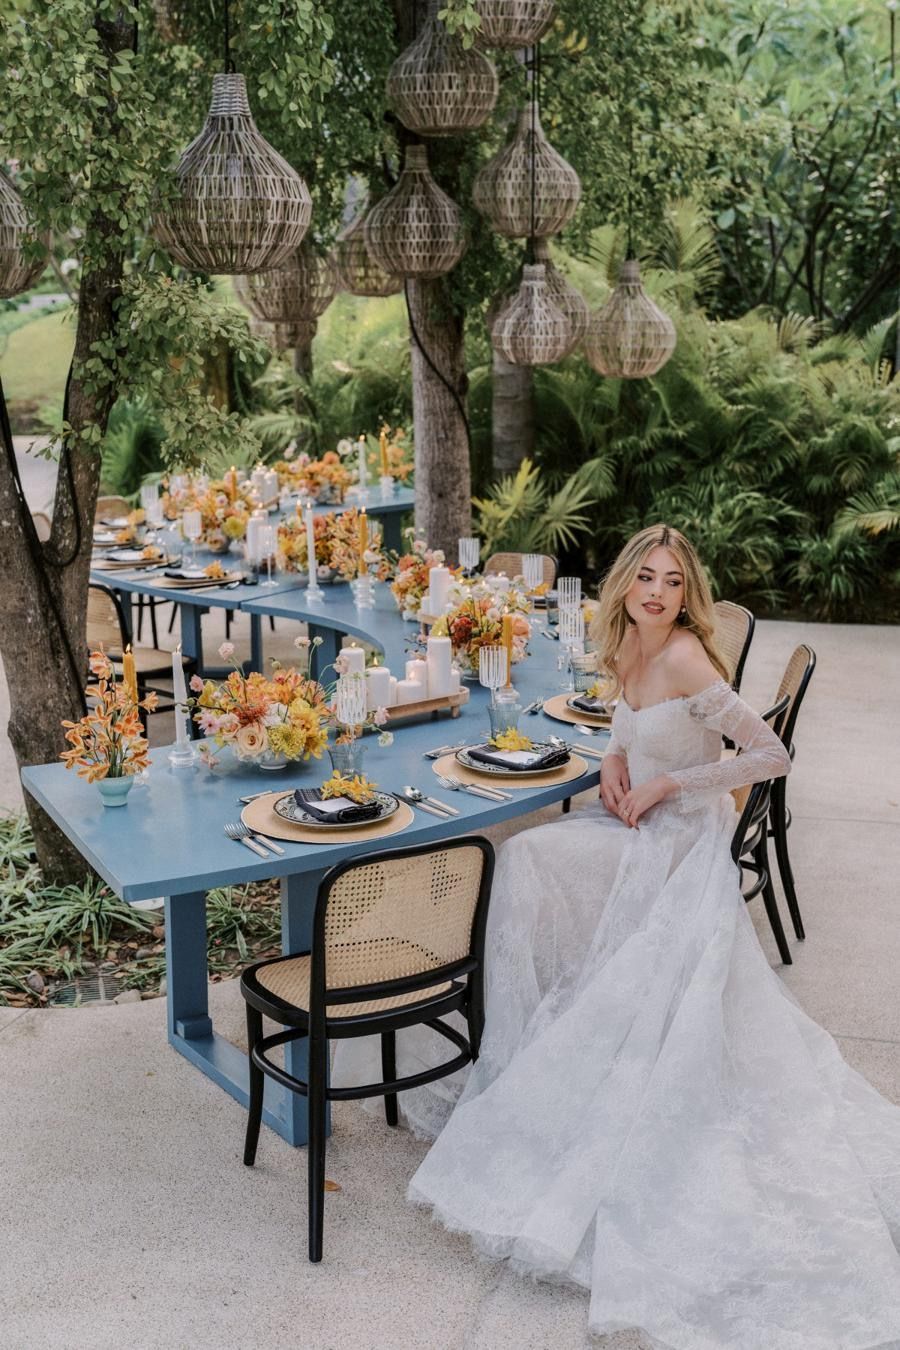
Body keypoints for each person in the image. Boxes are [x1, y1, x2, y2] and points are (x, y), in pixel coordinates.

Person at [338, 525, 900, 1348]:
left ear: (687, 594)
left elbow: (770, 753)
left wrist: (673, 780)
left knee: (528, 860)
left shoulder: (682, 658)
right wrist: (611, 764)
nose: (660, 593)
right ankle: (539, 1027)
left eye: (675, 582)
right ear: (626, 587)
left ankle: (557, 1029)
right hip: (640, 831)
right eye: (648, 578)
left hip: (683, 847)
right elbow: (627, 734)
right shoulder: (628, 651)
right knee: (526, 858)